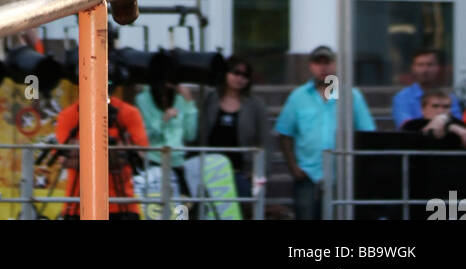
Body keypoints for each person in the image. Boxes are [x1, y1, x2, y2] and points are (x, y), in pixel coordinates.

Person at [275, 44, 375, 220]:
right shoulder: (298, 97)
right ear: (310, 65)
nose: (323, 67)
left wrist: (357, 168)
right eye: (317, 62)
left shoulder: (351, 95)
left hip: (342, 175)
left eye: (327, 62)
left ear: (335, 64)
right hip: (308, 175)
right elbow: (284, 134)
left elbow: (367, 133)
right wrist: (293, 168)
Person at [56, 89, 148, 220]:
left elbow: (137, 154)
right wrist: (112, 150)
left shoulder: (129, 112)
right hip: (77, 206)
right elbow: (64, 159)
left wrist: (83, 150)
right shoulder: (68, 114)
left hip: (122, 205)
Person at [197, 55, 271, 216]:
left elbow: (265, 141)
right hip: (211, 172)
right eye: (236, 72)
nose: (240, 78)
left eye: (245, 75)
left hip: (241, 173)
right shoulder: (211, 100)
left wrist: (258, 172)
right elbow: (201, 134)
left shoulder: (255, 104)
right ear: (225, 73)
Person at [133, 81, 197, 215]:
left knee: (183, 210)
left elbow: (190, 134)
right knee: (154, 211)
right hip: (152, 162)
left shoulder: (180, 99)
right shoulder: (142, 99)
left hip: (177, 163)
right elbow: (144, 135)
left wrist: (190, 103)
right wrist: (164, 120)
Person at [392, 48, 462, 128]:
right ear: (413, 68)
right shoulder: (402, 98)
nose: (425, 70)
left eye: (430, 64)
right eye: (420, 65)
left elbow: (458, 123)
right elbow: (407, 126)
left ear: (438, 67)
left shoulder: (450, 97)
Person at [400, 89, 466, 149]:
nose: (440, 110)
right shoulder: (411, 125)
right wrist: (448, 126)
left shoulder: (459, 125)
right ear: (423, 109)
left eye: (446, 107)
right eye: (435, 106)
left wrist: (454, 127)